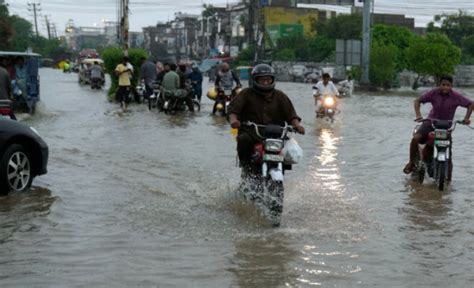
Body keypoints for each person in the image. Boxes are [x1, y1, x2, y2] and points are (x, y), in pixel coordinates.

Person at [228, 64, 305, 173]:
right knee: (243, 139)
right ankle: (245, 166)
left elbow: (291, 115)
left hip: (275, 135)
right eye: (262, 80)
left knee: (287, 150)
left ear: (272, 80)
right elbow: (233, 111)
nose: (265, 82)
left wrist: (297, 125)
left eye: (268, 80)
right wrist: (234, 120)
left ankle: (280, 168)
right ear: (255, 80)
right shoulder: (246, 94)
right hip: (252, 133)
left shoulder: (280, 96)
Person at [403, 75, 474, 180]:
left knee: (448, 155)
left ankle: (448, 180)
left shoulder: (456, 96)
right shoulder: (433, 93)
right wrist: (418, 115)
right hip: (430, 123)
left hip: (445, 128)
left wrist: (466, 118)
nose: (445, 87)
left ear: (451, 86)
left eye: (448, 85)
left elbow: (471, 104)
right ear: (439, 85)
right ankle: (411, 162)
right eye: (443, 85)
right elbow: (417, 100)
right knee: (416, 138)